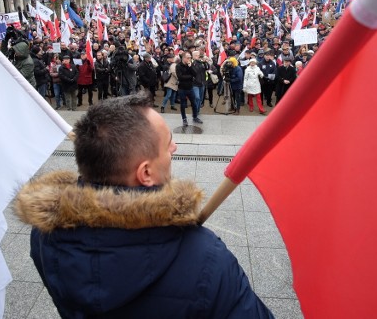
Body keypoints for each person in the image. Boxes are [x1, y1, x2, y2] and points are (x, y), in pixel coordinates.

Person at [14, 93, 274, 318]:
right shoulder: (207, 259)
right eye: (167, 142)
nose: (174, 146)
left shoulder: (45, 231)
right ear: (145, 173)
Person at [176, 52, 202, 126]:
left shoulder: (190, 65)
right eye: (188, 58)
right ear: (183, 58)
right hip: (182, 88)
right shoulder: (178, 66)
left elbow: (195, 74)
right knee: (183, 104)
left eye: (190, 57)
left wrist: (190, 67)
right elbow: (180, 77)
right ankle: (184, 119)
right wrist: (190, 77)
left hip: (190, 87)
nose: (189, 59)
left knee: (194, 103)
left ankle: (195, 117)